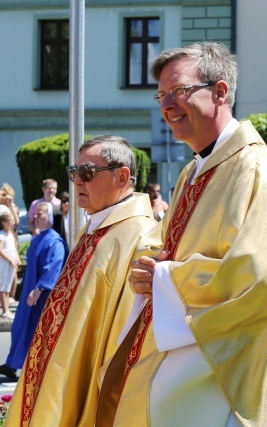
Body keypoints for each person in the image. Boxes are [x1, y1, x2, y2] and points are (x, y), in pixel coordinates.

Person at [96, 41, 267, 427]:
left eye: (178, 91)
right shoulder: (194, 171)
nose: (166, 105)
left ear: (221, 91)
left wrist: (165, 277)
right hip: (176, 355)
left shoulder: (258, 171)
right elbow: (165, 244)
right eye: (161, 95)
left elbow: (263, 281)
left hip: (224, 375)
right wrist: (147, 267)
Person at [3, 135, 157, 427]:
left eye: (87, 173)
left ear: (122, 176)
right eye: (74, 173)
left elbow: (125, 340)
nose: (76, 182)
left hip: (92, 385)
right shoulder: (96, 227)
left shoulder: (141, 238)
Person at [0, 203, 67, 382]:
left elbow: (54, 266)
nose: (35, 216)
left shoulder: (55, 240)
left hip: (41, 296)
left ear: (51, 217)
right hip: (29, 293)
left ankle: (33, 367)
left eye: (40, 213)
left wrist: (39, 288)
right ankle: (12, 363)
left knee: (36, 331)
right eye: (35, 213)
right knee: (19, 328)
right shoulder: (38, 237)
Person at [0, 212, 19, 319]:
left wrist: (16, 258)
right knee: (3, 286)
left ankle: (6, 307)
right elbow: (1, 250)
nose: (12, 223)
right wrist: (10, 260)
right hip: (4, 264)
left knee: (7, 286)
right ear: (3, 223)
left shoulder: (10, 234)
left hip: (11, 263)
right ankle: (5, 310)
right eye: (9, 221)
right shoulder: (1, 235)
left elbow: (14, 248)